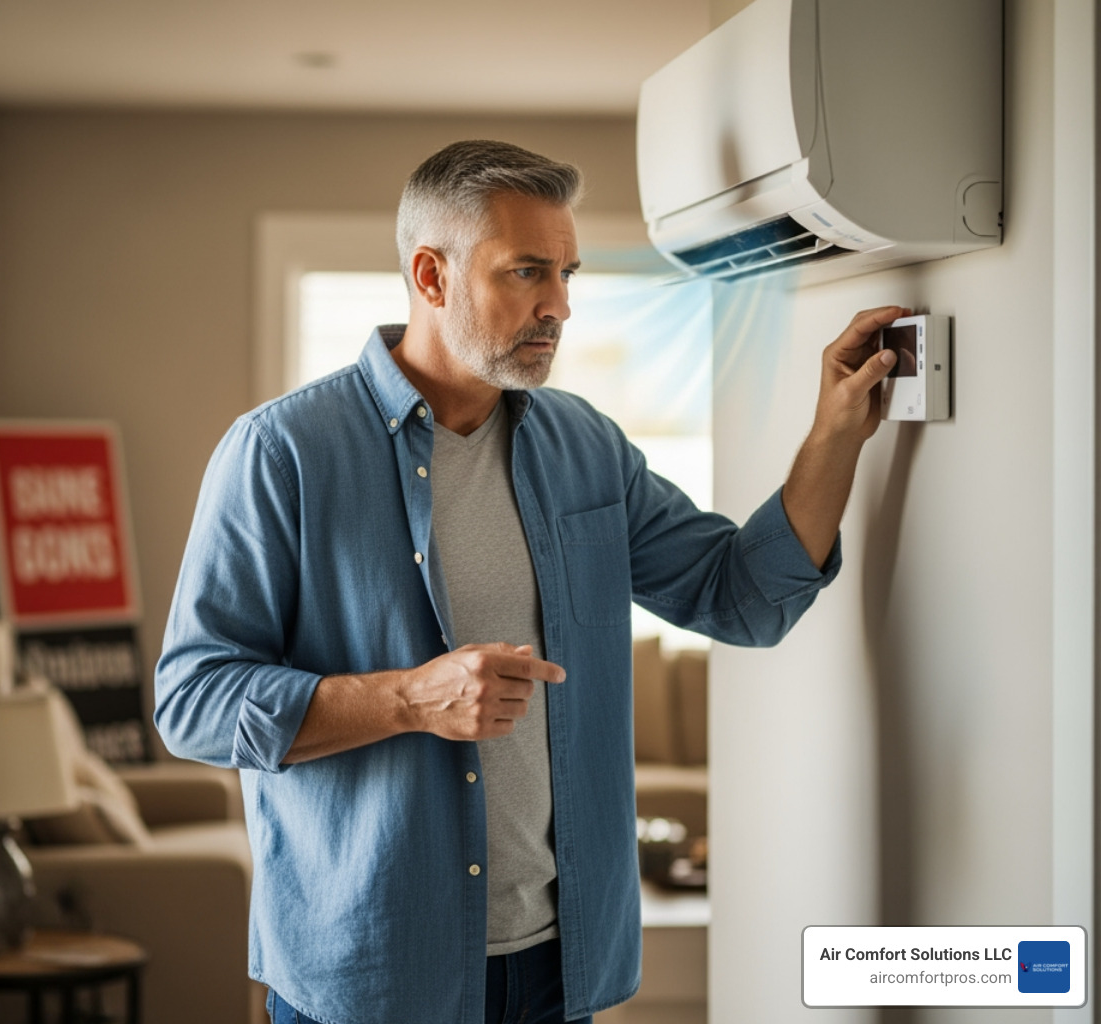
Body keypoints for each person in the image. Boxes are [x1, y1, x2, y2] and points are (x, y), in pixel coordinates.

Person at [154, 140, 902, 1024]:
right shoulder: (283, 453)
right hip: (373, 975)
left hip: (559, 967)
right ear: (430, 276)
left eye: (567, 274)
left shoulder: (584, 446)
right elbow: (192, 701)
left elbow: (738, 595)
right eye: (527, 273)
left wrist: (835, 435)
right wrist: (410, 699)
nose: (560, 306)